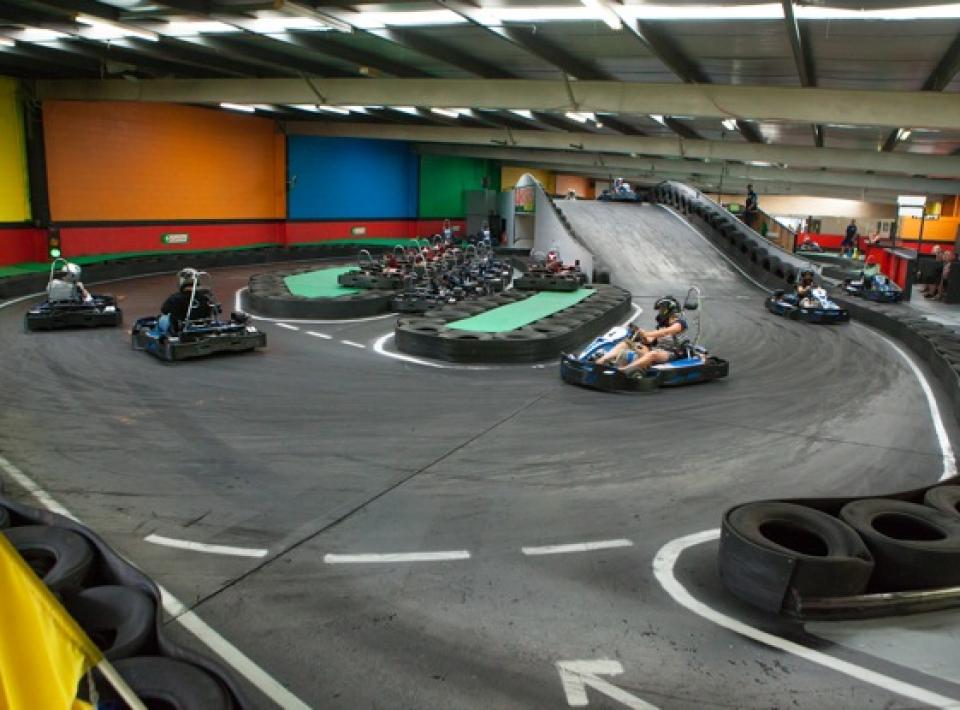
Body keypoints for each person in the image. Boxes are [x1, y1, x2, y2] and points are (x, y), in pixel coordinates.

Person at [595, 296, 697, 375]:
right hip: (657, 350)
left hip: (672, 354)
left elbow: (667, 332)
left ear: (669, 310)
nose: (660, 312)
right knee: (626, 343)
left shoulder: (680, 323)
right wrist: (640, 333)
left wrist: (647, 333)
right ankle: (600, 361)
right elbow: (649, 341)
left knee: (653, 354)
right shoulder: (661, 326)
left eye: (662, 309)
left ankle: (624, 371)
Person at [159, 268, 212, 334]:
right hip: (204, 327)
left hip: (182, 330)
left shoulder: (174, 298)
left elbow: (164, 310)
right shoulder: (205, 297)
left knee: (163, 318)